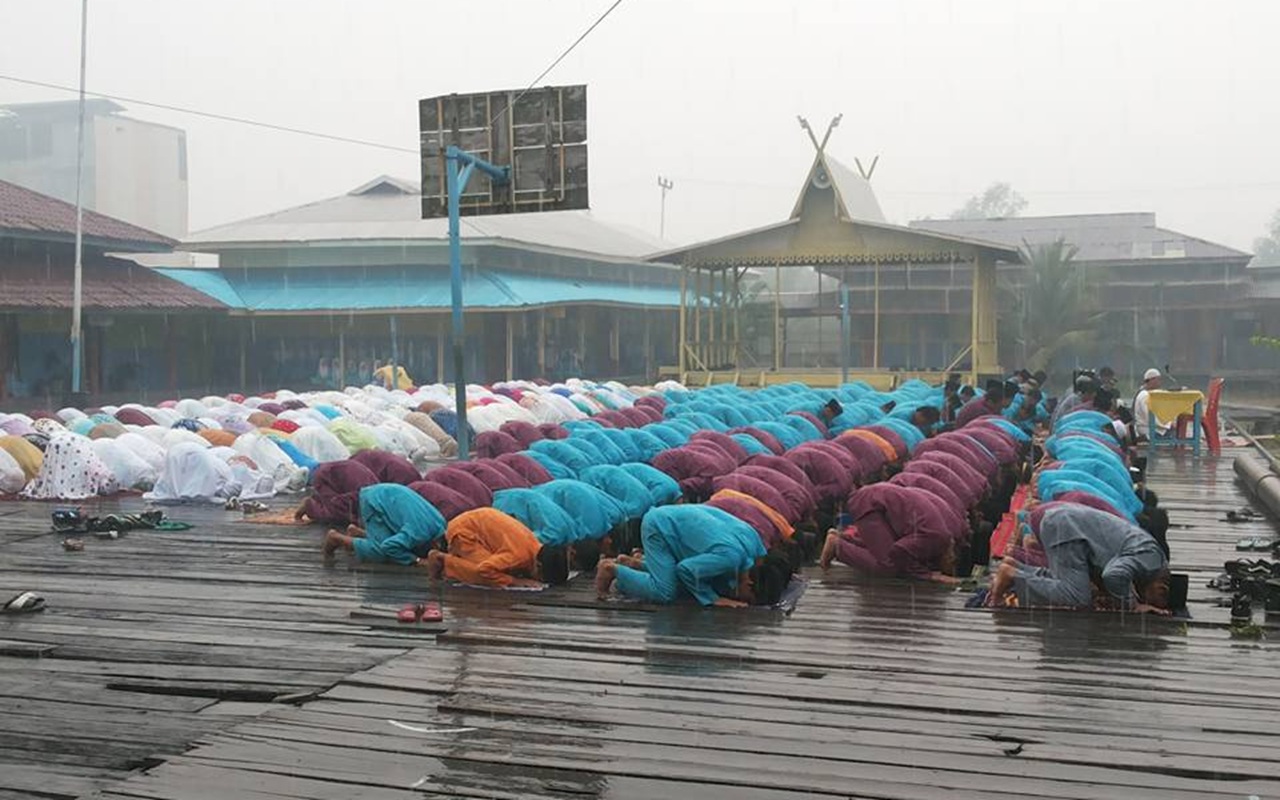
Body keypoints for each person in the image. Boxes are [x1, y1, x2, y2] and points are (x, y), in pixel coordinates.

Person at [595, 504, 792, 608]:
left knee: (697, 580)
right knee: (666, 593)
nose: (743, 601)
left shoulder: (755, 545)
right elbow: (686, 570)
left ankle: (634, 564)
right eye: (748, 599)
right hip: (661, 527)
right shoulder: (731, 558)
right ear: (749, 584)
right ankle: (613, 570)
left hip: (677, 521)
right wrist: (712, 599)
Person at [989, 503, 1169, 613]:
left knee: (1066, 582)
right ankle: (1012, 574)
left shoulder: (1149, 554)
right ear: (1162, 586)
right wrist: (1132, 605)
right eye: (1156, 600)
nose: (1150, 602)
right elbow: (1113, 575)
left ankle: (1017, 567)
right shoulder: (1152, 560)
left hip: (1063, 522)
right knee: (1077, 596)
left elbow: (1105, 570)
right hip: (1068, 528)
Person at [820, 483, 961, 582]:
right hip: (872, 504)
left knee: (882, 549)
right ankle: (838, 547)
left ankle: (842, 538)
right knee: (888, 565)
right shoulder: (936, 539)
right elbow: (898, 550)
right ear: (949, 555)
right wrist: (928, 576)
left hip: (877, 499)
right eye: (951, 563)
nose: (949, 568)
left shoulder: (941, 535)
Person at [424, 507, 570, 588]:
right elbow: (485, 569)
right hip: (465, 531)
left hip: (477, 521)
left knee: (500, 569)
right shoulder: (519, 555)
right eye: (541, 578)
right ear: (538, 565)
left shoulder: (534, 545)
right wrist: (515, 582)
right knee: (482, 573)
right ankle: (442, 560)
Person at [321, 483, 446, 565]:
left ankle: (358, 533)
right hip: (375, 501)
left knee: (406, 544)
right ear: (437, 543)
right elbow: (388, 547)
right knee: (380, 552)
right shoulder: (419, 532)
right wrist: (417, 561)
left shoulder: (440, 524)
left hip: (386, 495)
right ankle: (336, 538)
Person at [1132, 368, 1171, 440]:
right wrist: (1168, 424)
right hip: (1149, 430)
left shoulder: (1150, 394)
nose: (1160, 382)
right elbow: (1150, 416)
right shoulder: (1144, 395)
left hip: (1154, 428)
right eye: (1158, 379)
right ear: (1151, 380)